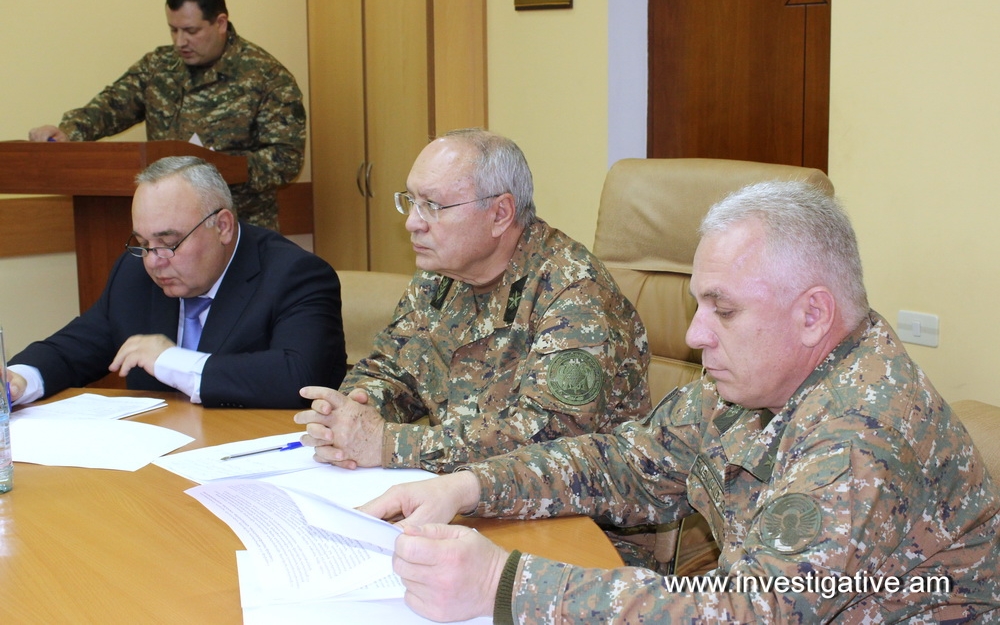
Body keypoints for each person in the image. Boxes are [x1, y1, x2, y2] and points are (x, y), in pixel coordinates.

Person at [359, 181, 1000, 623]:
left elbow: (751, 612)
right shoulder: (751, 384)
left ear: (813, 315)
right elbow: (627, 462)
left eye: (724, 310)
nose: (695, 335)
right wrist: (470, 485)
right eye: (698, 305)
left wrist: (500, 584)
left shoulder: (860, 436)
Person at [294, 128, 651, 473]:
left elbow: (548, 438)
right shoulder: (440, 274)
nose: (412, 223)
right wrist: (351, 411)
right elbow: (394, 369)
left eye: (433, 205)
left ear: (500, 214)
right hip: (452, 486)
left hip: (572, 506)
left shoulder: (574, 293)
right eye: (411, 202)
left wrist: (388, 443)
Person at [6, 156, 346, 409]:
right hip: (159, 456)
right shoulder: (134, 272)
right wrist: (20, 379)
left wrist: (171, 361)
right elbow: (74, 348)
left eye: (169, 242)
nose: (153, 260)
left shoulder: (295, 274)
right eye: (143, 243)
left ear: (223, 226)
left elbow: (299, 377)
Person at [27, 0, 305, 230]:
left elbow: (287, 159)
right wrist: (69, 131)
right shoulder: (158, 66)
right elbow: (110, 106)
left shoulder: (266, 76)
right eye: (173, 30)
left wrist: (218, 169)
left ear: (220, 23)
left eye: (191, 30)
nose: (180, 41)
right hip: (167, 231)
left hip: (238, 227)